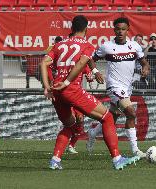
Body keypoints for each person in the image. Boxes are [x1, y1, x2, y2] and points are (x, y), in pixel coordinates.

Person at [40, 15, 140, 170]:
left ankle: (55, 160)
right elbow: (81, 63)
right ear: (86, 29)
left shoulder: (59, 44)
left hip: (56, 91)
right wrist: (67, 82)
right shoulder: (86, 45)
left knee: (70, 125)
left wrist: (47, 87)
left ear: (71, 28)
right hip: (70, 89)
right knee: (107, 117)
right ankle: (117, 158)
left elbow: (43, 63)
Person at [86, 17, 150, 158]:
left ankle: (93, 132)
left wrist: (145, 68)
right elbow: (90, 59)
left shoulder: (134, 46)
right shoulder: (107, 46)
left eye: (123, 29)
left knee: (111, 118)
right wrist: (95, 72)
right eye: (118, 29)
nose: (120, 32)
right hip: (114, 86)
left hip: (127, 87)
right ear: (114, 30)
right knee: (131, 113)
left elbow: (144, 62)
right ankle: (135, 150)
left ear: (128, 30)